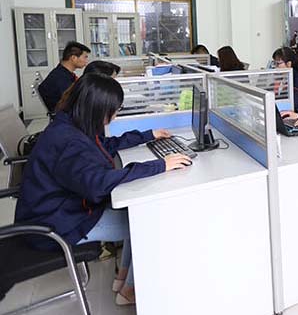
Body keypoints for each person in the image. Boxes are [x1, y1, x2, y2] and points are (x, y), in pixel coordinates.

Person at [14, 73, 191, 306]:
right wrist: (160, 165)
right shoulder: (69, 141)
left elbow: (103, 145)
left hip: (58, 211)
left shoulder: (70, 124)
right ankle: (129, 290)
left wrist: (147, 135)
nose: (115, 116)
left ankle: (123, 281)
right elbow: (98, 184)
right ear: (96, 108)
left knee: (136, 211)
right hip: (55, 225)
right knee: (148, 221)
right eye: (113, 110)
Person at [38, 41, 91, 114]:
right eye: (85, 57)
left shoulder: (62, 72)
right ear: (73, 58)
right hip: (65, 114)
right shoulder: (61, 78)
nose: (86, 61)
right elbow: (73, 102)